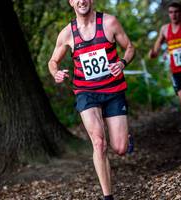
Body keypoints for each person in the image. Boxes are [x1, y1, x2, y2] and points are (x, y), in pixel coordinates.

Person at [48, 0, 135, 199]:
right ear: (71, 2)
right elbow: (52, 61)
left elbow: (130, 47)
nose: (82, 0)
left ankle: (124, 136)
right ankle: (108, 196)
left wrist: (122, 63)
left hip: (113, 91)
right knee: (98, 143)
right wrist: (56, 73)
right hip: (86, 93)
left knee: (120, 148)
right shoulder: (67, 33)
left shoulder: (110, 23)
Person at [149, 2, 181, 145]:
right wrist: (153, 53)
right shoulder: (164, 29)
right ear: (168, 14)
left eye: (176, 12)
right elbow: (156, 48)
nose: (174, 15)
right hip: (178, 72)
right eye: (171, 12)